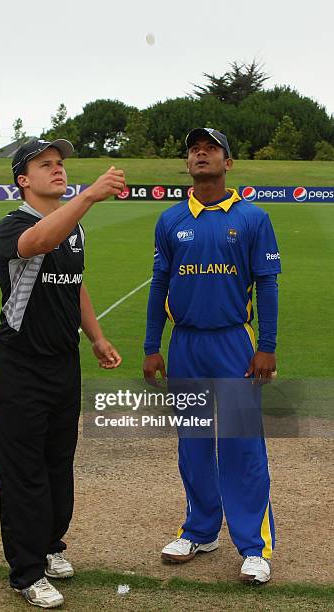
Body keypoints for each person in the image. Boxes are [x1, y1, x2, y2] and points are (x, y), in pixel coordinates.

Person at [0, 138, 125, 608]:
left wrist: (97, 336)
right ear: (23, 180)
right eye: (45, 165)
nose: (58, 170)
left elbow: (75, 284)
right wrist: (87, 197)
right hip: (19, 366)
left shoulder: (76, 228)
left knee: (57, 464)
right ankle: (26, 573)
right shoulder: (11, 226)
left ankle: (49, 546)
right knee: (23, 471)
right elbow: (39, 242)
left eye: (61, 164)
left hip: (63, 364)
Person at [143, 128, 281, 584]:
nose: (200, 153)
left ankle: (253, 546)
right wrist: (151, 346)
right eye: (194, 149)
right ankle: (200, 531)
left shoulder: (253, 217)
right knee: (194, 443)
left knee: (242, 444)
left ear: (228, 163)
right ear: (187, 163)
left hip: (233, 344)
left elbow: (267, 283)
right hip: (184, 345)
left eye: (211, 148)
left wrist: (267, 345)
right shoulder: (170, 219)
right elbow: (159, 284)